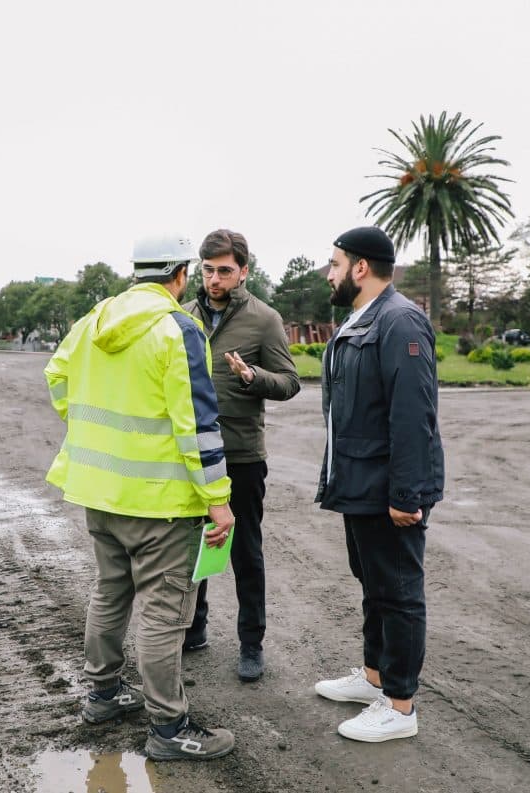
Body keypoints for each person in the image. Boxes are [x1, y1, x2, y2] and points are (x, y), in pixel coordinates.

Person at [44, 233, 236, 761]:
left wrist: (88, 430)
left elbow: (56, 377)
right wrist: (218, 498)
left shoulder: (94, 320)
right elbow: (198, 425)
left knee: (110, 592)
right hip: (161, 504)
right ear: (178, 276)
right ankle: (169, 728)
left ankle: (103, 694)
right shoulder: (179, 328)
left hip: (100, 493)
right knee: (164, 613)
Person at [313, 226, 444, 742]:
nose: (330, 273)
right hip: (360, 481)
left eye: (335, 264)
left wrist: (406, 494)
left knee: (399, 591)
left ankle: (400, 706)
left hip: (390, 487)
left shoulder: (400, 320)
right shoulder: (361, 320)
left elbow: (414, 417)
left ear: (359, 268)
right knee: (375, 585)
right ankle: (374, 679)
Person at [181, 229, 300, 682]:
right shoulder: (184, 315)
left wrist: (252, 377)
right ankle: (195, 627)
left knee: (244, 551)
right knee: (194, 544)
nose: (214, 279)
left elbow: (289, 382)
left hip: (242, 455)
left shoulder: (264, 319)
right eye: (208, 269)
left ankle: (252, 643)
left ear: (244, 271)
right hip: (193, 456)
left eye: (225, 271)